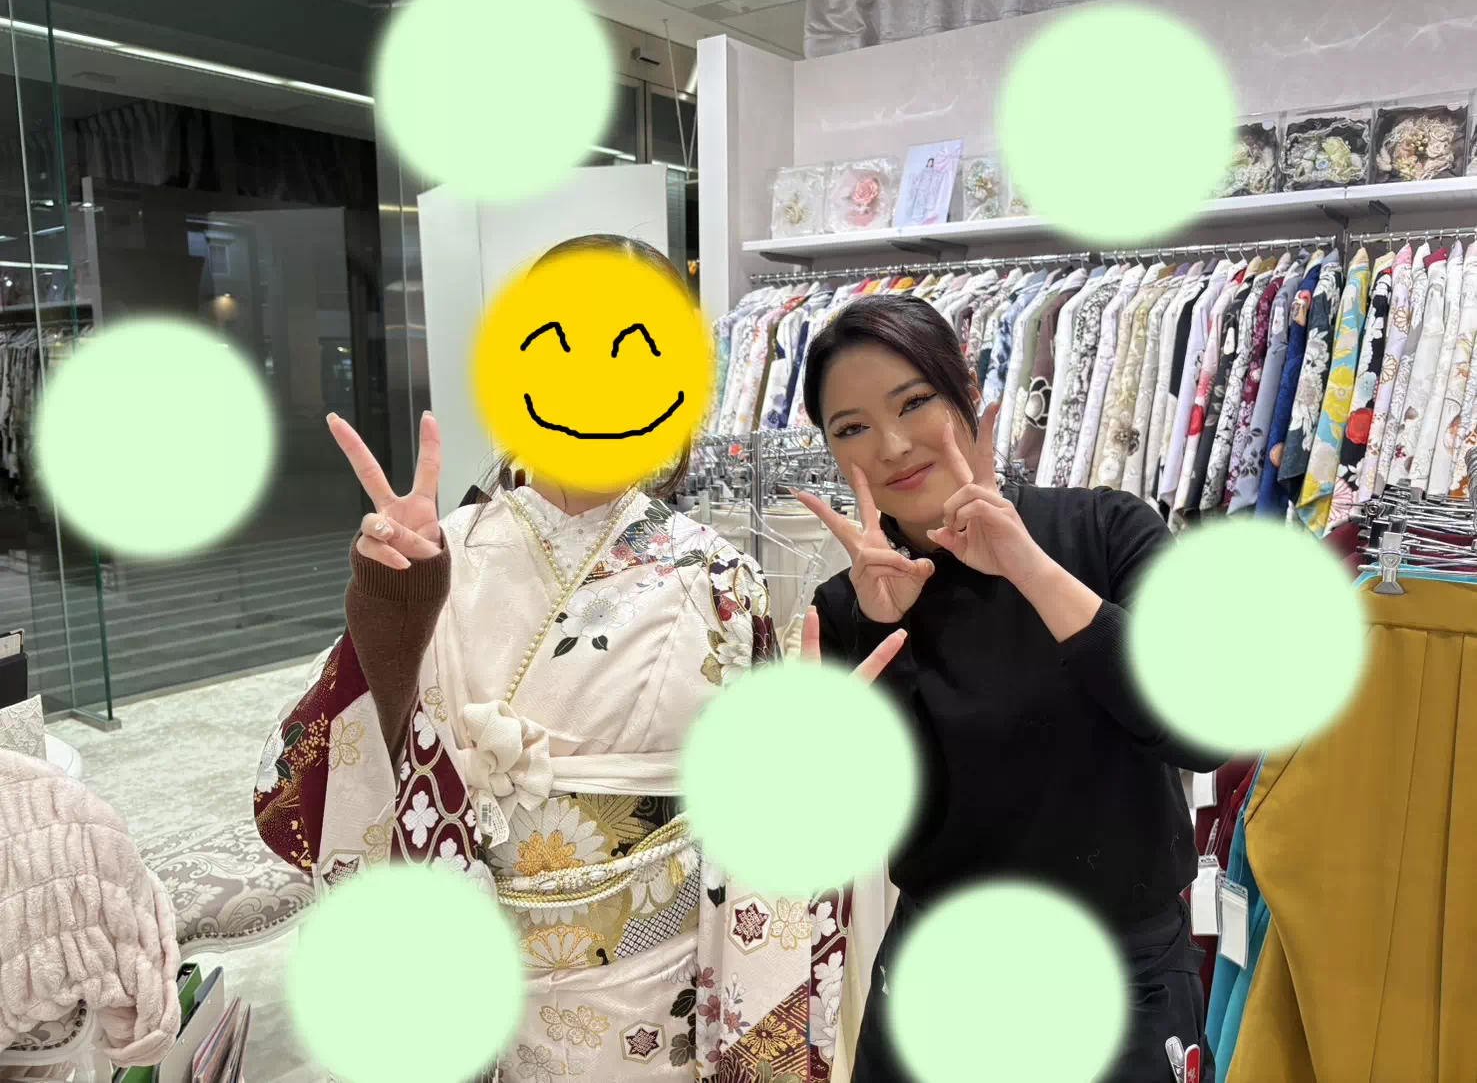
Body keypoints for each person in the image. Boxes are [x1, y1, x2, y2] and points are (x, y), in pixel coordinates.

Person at [252, 234, 899, 1083]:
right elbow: (314, 784)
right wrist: (388, 617)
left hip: (653, 996)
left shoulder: (719, 575)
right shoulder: (436, 552)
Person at [792, 294, 1226, 1083]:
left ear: (967, 391)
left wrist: (1025, 566)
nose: (892, 446)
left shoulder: (1104, 531)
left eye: (913, 402)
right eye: (851, 428)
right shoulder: (848, 605)